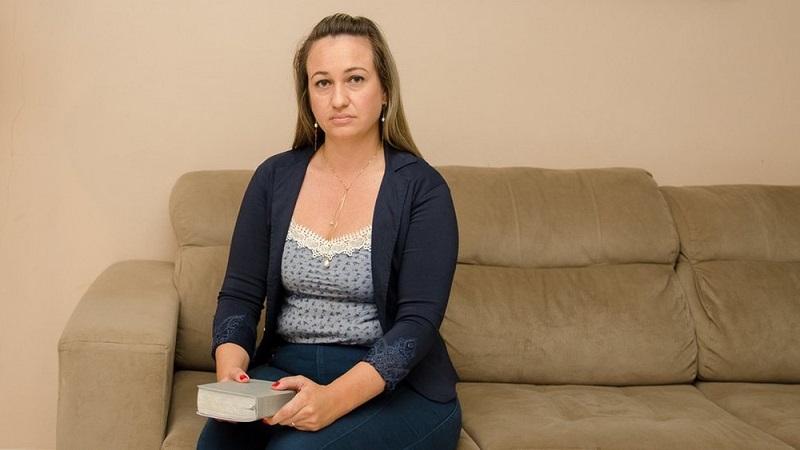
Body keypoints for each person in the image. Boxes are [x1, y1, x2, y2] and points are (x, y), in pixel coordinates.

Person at [197, 13, 461, 450]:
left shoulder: (423, 189)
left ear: (385, 92)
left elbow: (417, 324)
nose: (338, 98)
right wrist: (231, 373)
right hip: (285, 368)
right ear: (308, 97)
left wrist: (333, 400)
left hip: (392, 384)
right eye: (322, 83)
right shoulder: (273, 178)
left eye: (355, 79)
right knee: (216, 445)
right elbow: (240, 295)